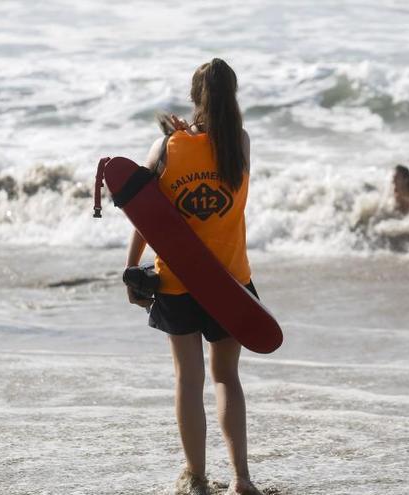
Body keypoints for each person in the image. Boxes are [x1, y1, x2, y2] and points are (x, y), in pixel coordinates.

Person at [124, 59, 262, 495]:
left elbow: (143, 211)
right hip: (231, 283)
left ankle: (197, 478)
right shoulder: (239, 143)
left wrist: (132, 269)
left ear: (193, 97)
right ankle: (240, 479)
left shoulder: (166, 148)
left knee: (189, 378)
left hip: (178, 281)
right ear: (233, 96)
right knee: (226, 378)